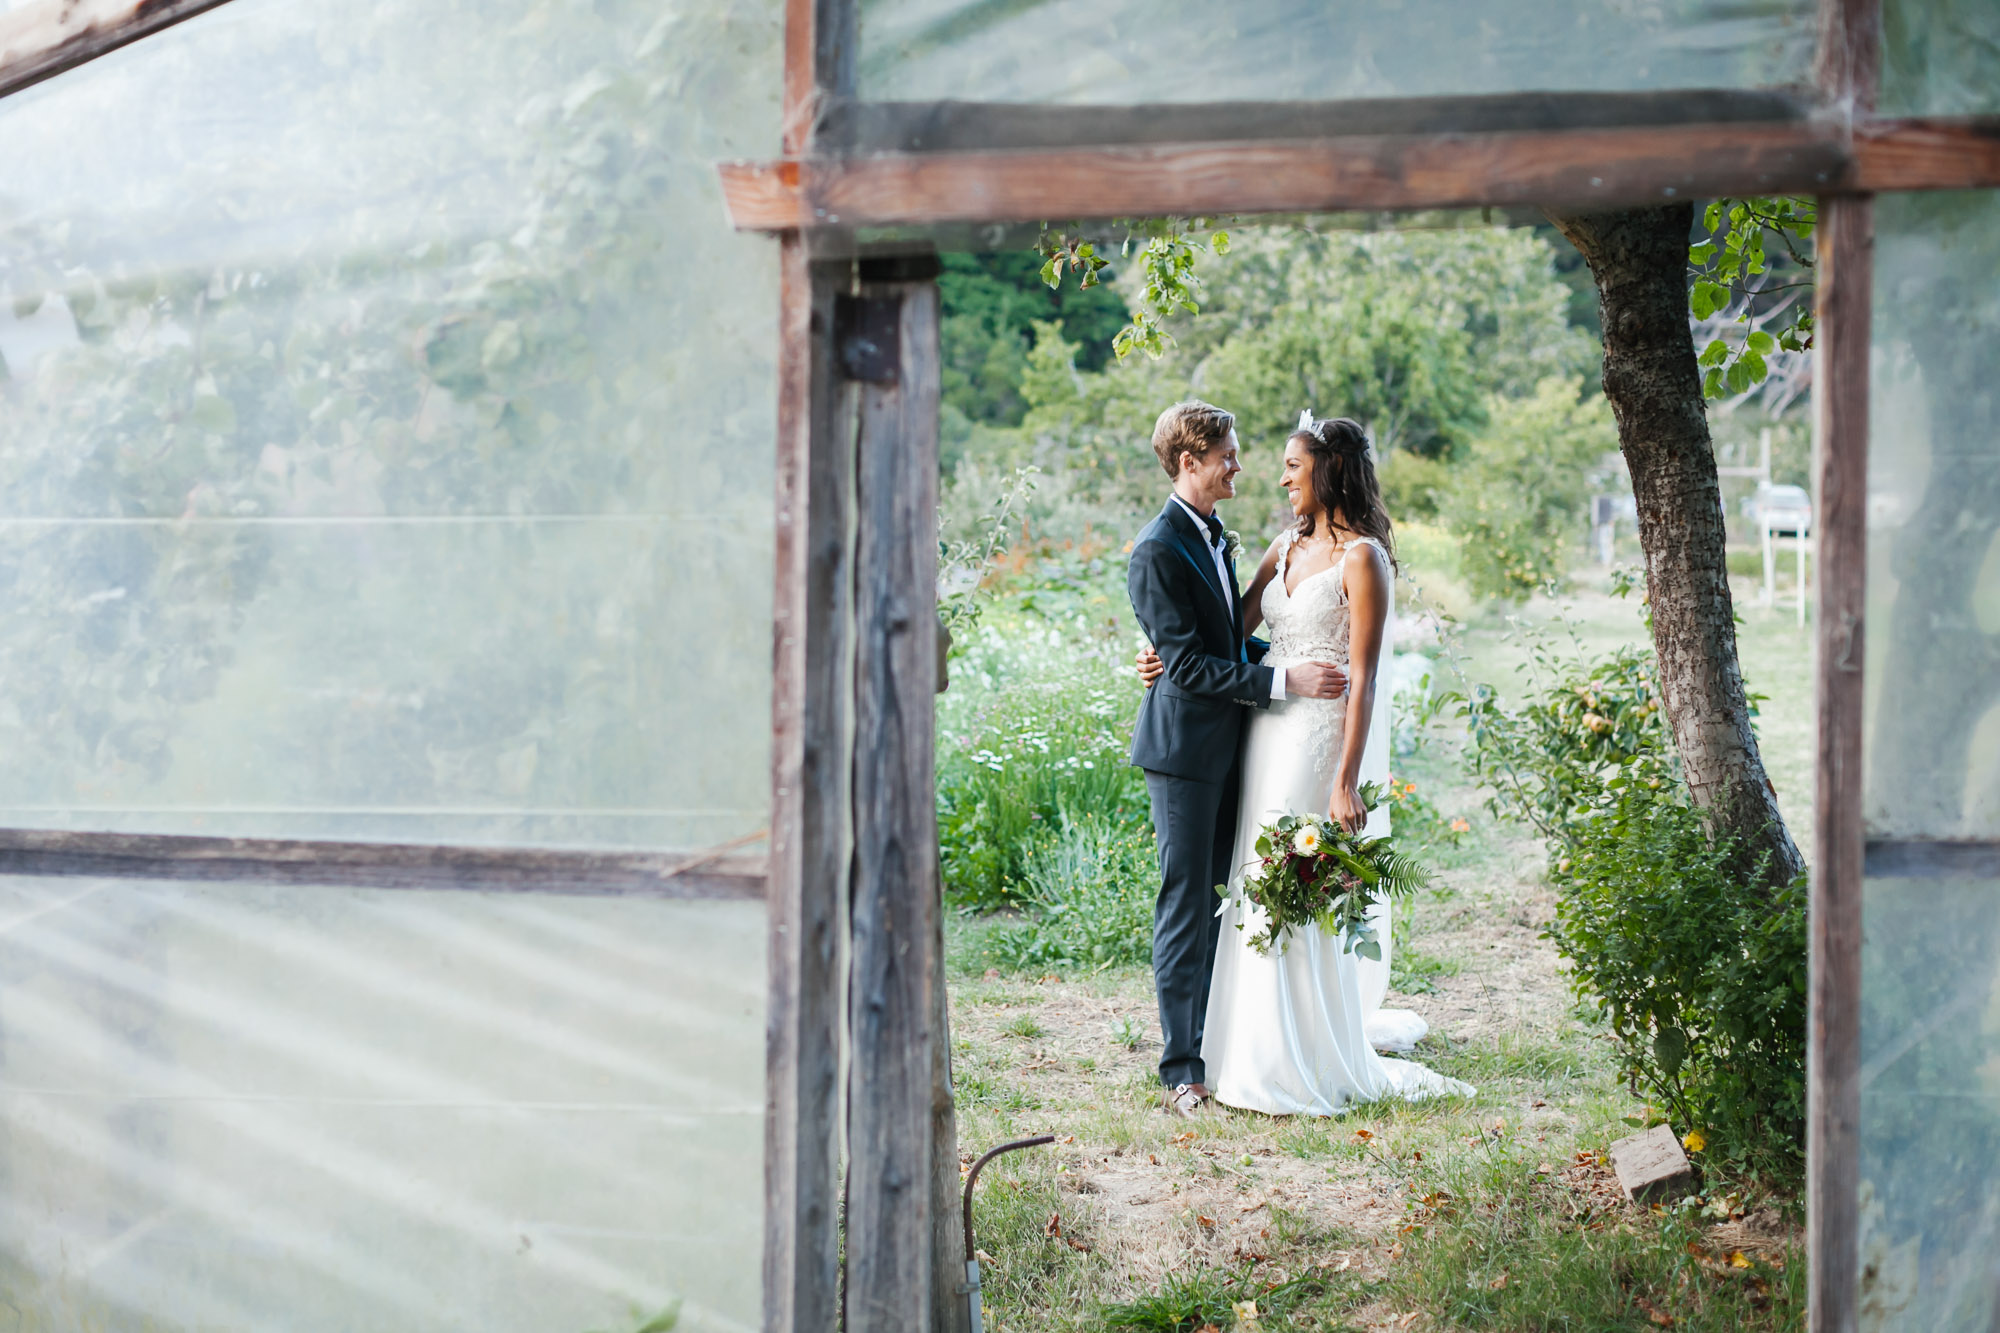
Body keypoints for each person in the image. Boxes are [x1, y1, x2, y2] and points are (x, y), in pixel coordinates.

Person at [1136, 415, 1471, 1115]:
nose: (1278, 476)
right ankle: (1236, 1044)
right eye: (1261, 461)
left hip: (1316, 740)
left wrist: (1346, 777)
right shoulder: (1281, 545)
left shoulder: (1364, 559)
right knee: (1248, 882)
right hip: (1262, 738)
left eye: (1292, 465)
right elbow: (1233, 636)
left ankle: (1297, 1046)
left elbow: (1365, 677)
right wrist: (1167, 659)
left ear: (1329, 469)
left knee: (1294, 882)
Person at [1124, 401, 1350, 1118]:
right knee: (1186, 905)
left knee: (1225, 900)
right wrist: (1285, 681)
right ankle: (1180, 1068)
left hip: (1234, 749)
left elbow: (1213, 650)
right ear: (1190, 462)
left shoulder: (1214, 538)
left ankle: (1219, 1046)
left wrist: (1288, 662)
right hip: (1185, 756)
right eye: (1227, 454)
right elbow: (1189, 667)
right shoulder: (1156, 548)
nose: (1239, 466)